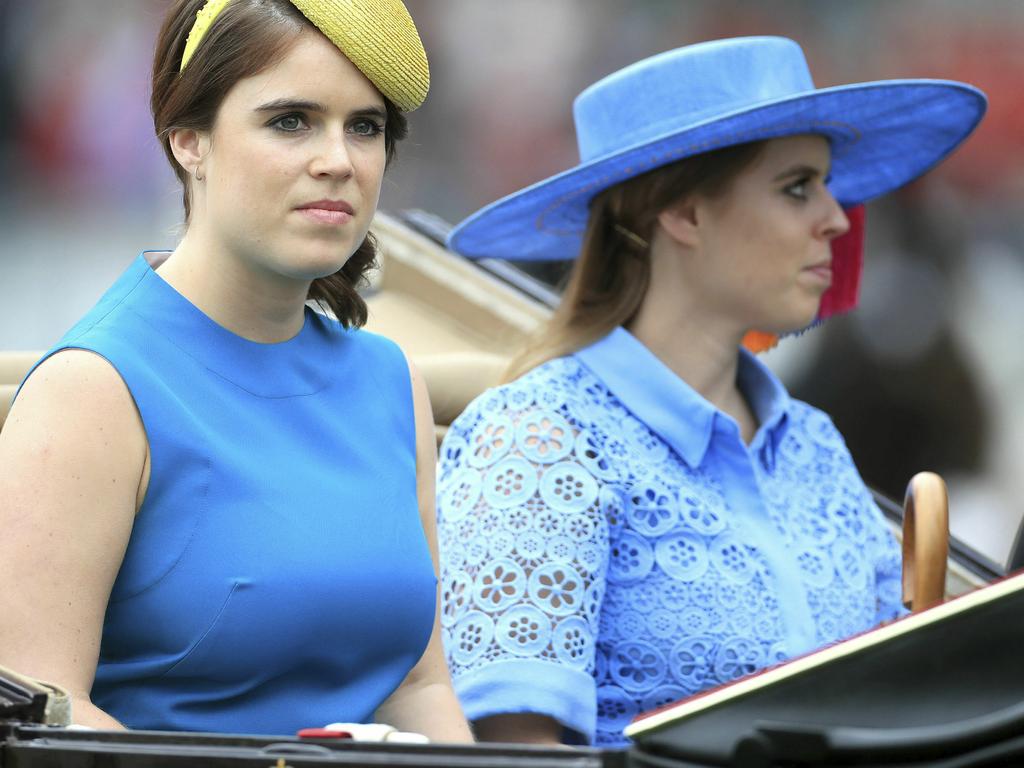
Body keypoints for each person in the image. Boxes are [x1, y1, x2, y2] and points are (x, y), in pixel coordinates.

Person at [435, 36, 985, 747]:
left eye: (825, 184)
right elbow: (518, 752)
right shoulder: (539, 435)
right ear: (684, 213)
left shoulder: (813, 444)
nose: (838, 219)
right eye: (797, 187)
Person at [0, 0, 472, 741]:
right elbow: (48, 722)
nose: (338, 160)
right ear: (188, 140)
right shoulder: (92, 389)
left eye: (365, 127)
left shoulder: (390, 380)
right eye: (291, 121)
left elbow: (419, 685)